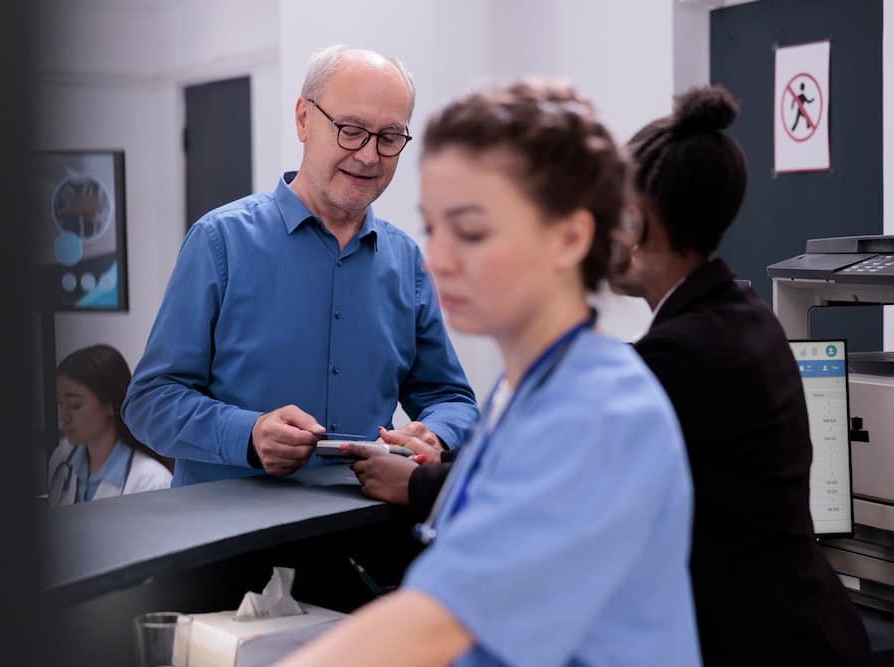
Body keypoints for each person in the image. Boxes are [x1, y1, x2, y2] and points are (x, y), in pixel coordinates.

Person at [280, 78, 700, 667]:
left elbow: (436, 623)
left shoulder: (604, 413)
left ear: (570, 236)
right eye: (434, 229)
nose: (439, 259)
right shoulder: (523, 390)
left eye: (472, 231)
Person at [122, 45, 478, 486]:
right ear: (303, 119)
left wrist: (436, 433)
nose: (368, 156)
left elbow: (452, 398)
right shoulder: (220, 242)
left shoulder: (408, 264)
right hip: (228, 541)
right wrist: (246, 435)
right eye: (350, 130)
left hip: (359, 534)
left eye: (389, 138)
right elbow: (149, 403)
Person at [615, 85, 870, 666]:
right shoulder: (745, 317)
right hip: (811, 629)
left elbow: (558, 484)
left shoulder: (681, 353)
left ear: (636, 221)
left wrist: (422, 482)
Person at [48, 344, 172, 507]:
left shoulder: (152, 481)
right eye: (60, 403)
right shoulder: (62, 457)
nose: (64, 417)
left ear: (110, 404)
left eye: (75, 405)